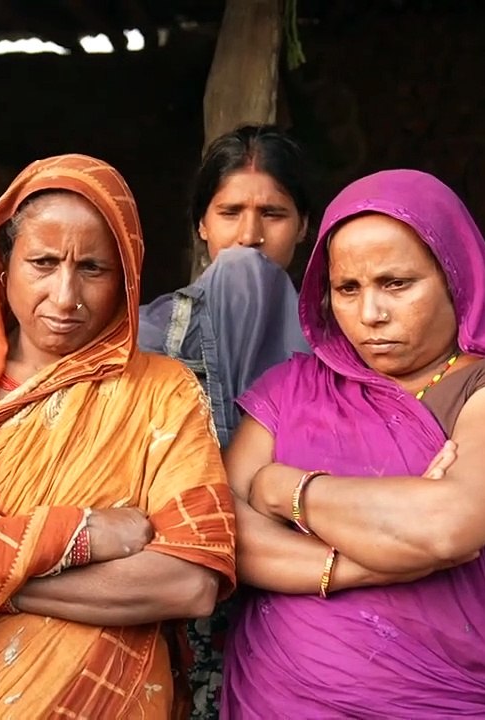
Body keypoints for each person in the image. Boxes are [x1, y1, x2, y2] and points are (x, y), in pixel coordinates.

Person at [0, 154, 236, 719]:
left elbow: (187, 582)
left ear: (126, 275)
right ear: (2, 268)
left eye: (93, 269)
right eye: (43, 262)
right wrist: (76, 535)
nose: (66, 295)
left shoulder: (162, 393)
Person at [220, 169, 485, 718]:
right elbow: (221, 533)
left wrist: (281, 489)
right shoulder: (293, 388)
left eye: (396, 284)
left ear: (456, 277)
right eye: (347, 290)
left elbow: (444, 525)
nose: (370, 315)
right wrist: (366, 565)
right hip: (276, 698)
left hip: (445, 701)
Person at [136, 124, 313, 719]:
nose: (250, 236)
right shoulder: (150, 337)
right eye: (230, 211)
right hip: (179, 607)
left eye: (274, 213)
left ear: (305, 227)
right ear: (201, 225)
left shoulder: (344, 346)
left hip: (306, 607)